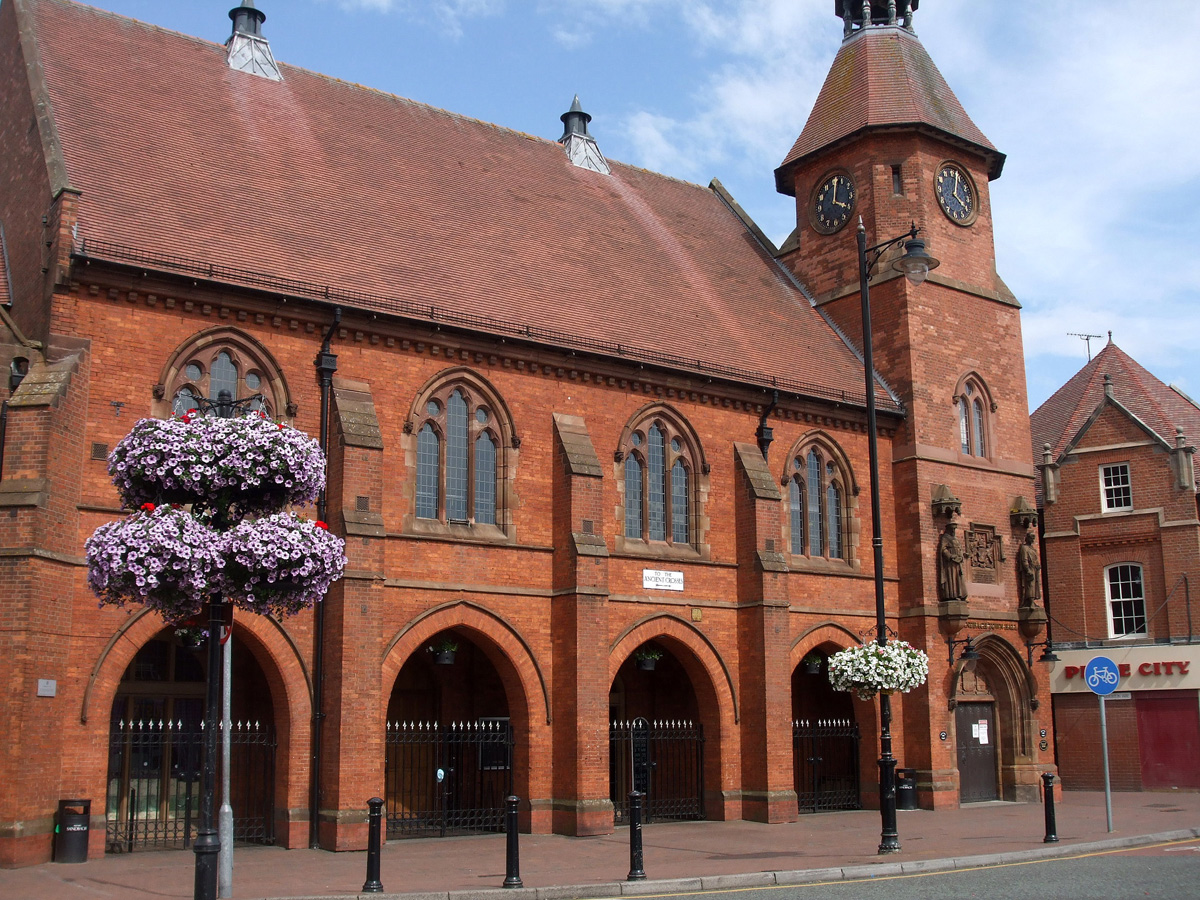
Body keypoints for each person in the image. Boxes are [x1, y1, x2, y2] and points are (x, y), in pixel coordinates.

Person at [938, 522, 967, 601]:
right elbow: (943, 549)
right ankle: (952, 595)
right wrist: (950, 556)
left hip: (957, 561)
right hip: (950, 563)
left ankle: (960, 594)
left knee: (958, 578)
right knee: (952, 578)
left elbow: (959, 549)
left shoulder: (955, 539)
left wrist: (961, 556)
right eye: (952, 529)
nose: (954, 531)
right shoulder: (945, 538)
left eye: (954, 529)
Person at [1017, 530, 1042, 607]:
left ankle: (1033, 600)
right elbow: (1024, 559)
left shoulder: (1032, 548)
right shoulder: (1024, 548)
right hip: (1030, 569)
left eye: (1033, 538)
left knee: (1035, 585)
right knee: (1030, 585)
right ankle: (1030, 601)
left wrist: (1038, 565)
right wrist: (1027, 569)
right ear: (1027, 538)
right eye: (1031, 538)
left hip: (1035, 569)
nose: (1033, 540)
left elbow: (1035, 558)